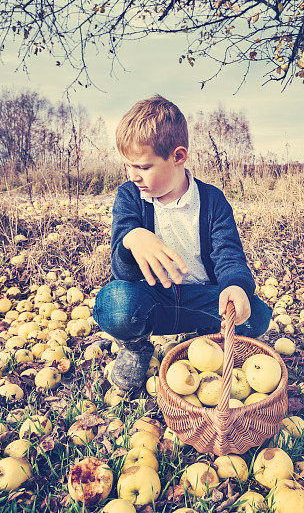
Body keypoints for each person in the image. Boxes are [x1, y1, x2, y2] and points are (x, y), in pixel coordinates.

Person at [93, 95, 273, 394]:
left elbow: (229, 254)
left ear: (178, 157)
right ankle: (137, 349)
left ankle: (207, 342)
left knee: (255, 315)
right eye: (129, 166)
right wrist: (132, 238)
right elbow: (121, 271)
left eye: (144, 166)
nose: (134, 175)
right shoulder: (130, 197)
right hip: (153, 303)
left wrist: (235, 286)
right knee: (115, 304)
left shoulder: (212, 200)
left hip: (203, 300)